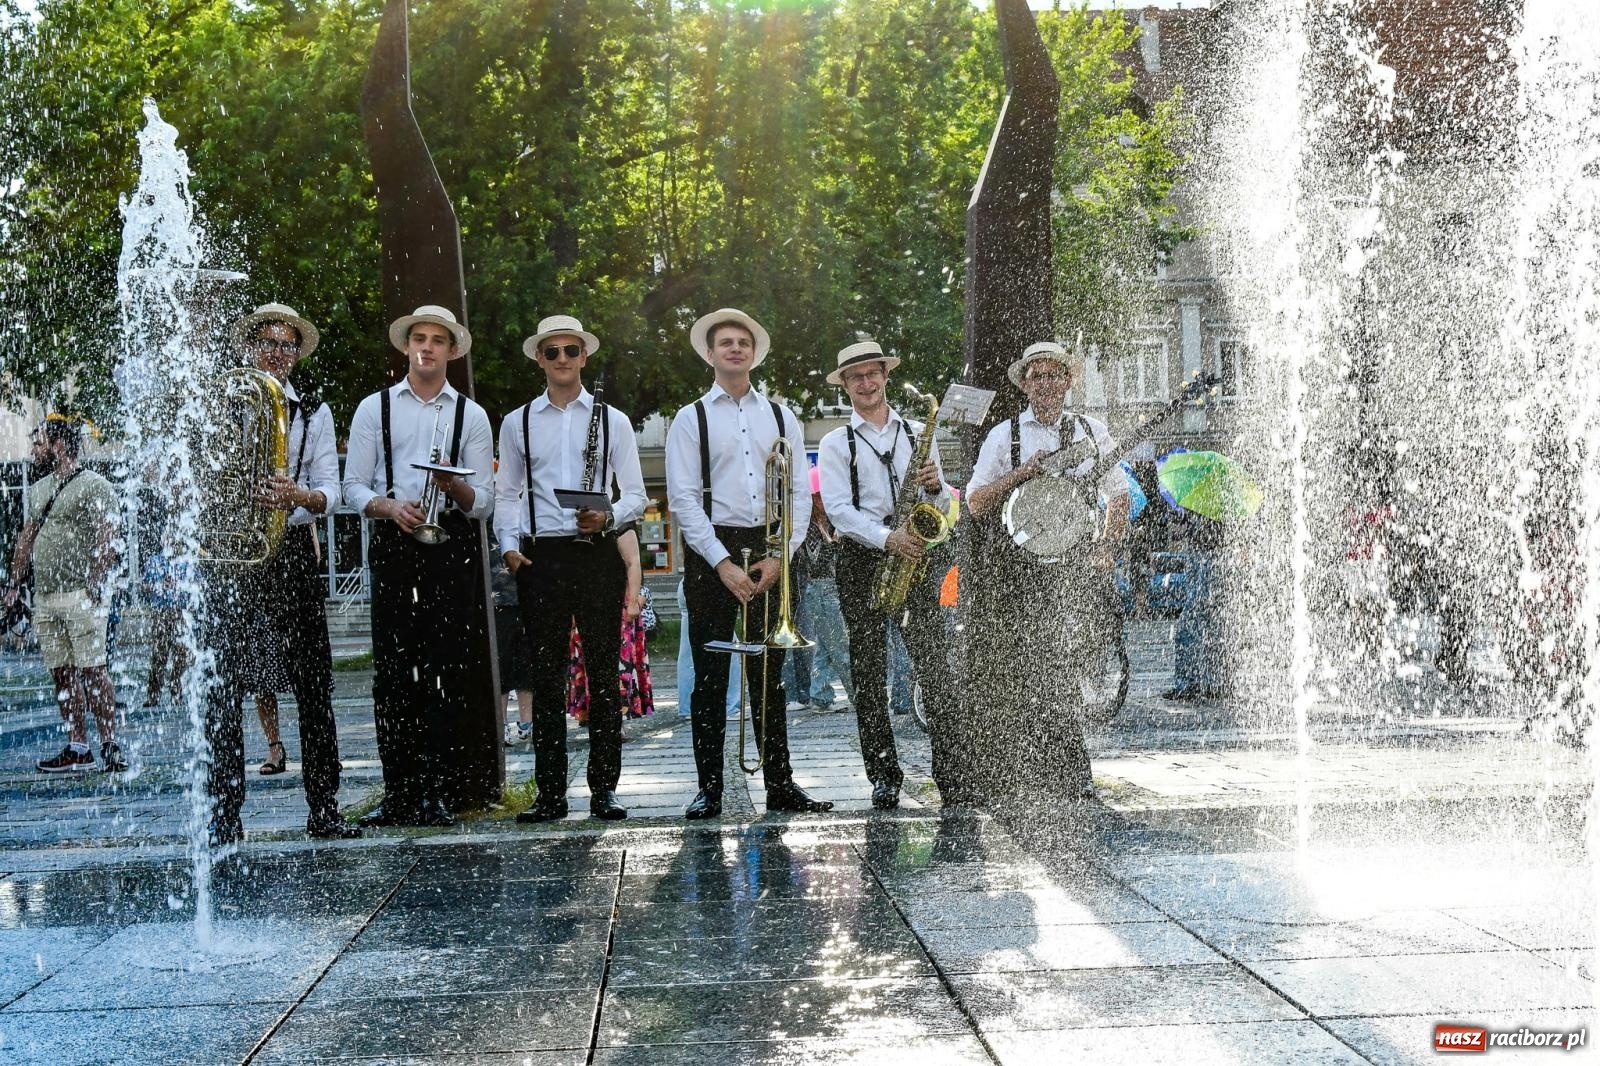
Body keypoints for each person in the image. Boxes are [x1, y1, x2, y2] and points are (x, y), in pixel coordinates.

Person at [665, 307, 834, 819]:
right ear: (711, 354)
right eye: (725, 343)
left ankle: (780, 784)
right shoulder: (689, 418)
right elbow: (684, 500)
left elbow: (799, 496)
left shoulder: (781, 416)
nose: (735, 349)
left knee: (770, 676)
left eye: (743, 342)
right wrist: (721, 563)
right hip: (710, 552)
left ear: (753, 353)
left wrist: (780, 557)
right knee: (711, 676)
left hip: (770, 547)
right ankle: (709, 788)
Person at [343, 304, 494, 828]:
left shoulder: (470, 415)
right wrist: (391, 507)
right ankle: (399, 791)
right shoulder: (373, 409)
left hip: (449, 542)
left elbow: (485, 504)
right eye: (419, 339)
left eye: (437, 340)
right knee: (391, 674)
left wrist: (454, 485)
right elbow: (352, 487)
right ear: (406, 346)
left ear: (451, 350)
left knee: (446, 670)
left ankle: (441, 790)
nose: (427, 347)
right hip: (394, 541)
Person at [495, 314, 646, 823]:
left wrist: (607, 515)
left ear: (584, 357)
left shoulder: (615, 420)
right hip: (543, 557)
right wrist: (508, 546)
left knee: (604, 675)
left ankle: (604, 789)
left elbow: (638, 496)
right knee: (546, 676)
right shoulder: (517, 422)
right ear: (539, 358)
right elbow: (507, 492)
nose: (562, 359)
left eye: (571, 350)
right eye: (552, 351)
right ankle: (550, 794)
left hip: (596, 553)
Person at [966, 340, 1130, 802]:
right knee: (1020, 667)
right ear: (1024, 385)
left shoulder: (1092, 431)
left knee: (1063, 663)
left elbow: (1118, 495)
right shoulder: (1005, 436)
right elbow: (975, 502)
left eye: (1055, 374)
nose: (1047, 383)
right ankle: (1028, 771)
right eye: (1037, 376)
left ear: (1069, 379)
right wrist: (1021, 474)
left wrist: (1107, 548)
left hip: (1074, 567)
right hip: (1017, 568)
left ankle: (1070, 770)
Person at [817, 338, 959, 808]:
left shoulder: (919, 431)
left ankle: (952, 772)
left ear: (885, 375)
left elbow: (941, 505)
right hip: (863, 559)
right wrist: (887, 539)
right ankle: (883, 774)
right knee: (869, 669)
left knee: (934, 663)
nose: (865, 381)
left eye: (871, 372)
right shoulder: (836, 443)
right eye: (855, 376)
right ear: (845, 385)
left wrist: (938, 489)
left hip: (916, 553)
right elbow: (837, 511)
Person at [7, 416, 125, 773]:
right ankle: (78, 746)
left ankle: (109, 743)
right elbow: (26, 537)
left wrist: (94, 581)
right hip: (46, 597)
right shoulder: (39, 488)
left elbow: (108, 535)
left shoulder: (95, 485)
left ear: (59, 444)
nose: (34, 450)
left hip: (80, 595)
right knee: (62, 673)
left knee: (93, 671)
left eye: (40, 442)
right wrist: (14, 584)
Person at [566, 530, 656, 723]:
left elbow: (634, 564)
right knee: (588, 662)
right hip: (588, 602)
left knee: (619, 666)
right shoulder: (577, 529)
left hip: (620, 608)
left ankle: (617, 717)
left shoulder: (623, 528)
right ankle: (590, 712)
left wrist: (632, 602)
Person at [491, 541, 535, 746]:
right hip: (496, 595)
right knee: (500, 661)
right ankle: (501, 724)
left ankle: (527, 723)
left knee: (527, 661)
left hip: (528, 593)